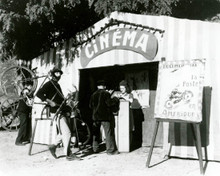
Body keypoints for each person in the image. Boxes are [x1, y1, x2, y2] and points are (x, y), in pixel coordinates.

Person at [36, 67, 80, 161]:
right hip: (56, 112)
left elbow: (59, 99)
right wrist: (49, 101)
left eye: (59, 74)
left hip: (61, 110)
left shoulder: (57, 85)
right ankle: (68, 154)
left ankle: (53, 146)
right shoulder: (49, 84)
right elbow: (39, 94)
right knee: (67, 132)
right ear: (52, 74)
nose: (59, 75)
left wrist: (68, 103)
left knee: (62, 132)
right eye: (56, 73)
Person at [89, 80, 119, 155]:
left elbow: (90, 106)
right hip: (105, 116)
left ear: (97, 86)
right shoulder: (106, 93)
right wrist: (115, 99)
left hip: (96, 117)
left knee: (96, 133)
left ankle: (95, 148)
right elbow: (109, 103)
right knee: (108, 133)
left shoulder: (93, 94)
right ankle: (110, 150)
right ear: (104, 86)